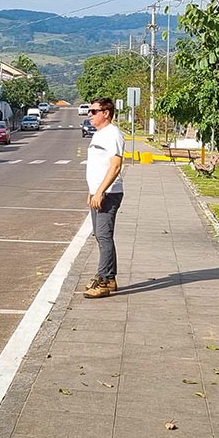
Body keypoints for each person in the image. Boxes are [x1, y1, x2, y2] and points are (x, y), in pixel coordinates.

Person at [84, 97, 125, 298]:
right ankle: (108, 278)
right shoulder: (99, 135)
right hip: (98, 192)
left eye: (93, 111)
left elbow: (115, 166)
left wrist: (100, 192)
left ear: (106, 113)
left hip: (109, 194)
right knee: (101, 236)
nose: (89, 115)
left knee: (104, 236)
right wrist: (92, 190)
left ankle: (105, 279)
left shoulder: (113, 134)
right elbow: (97, 167)